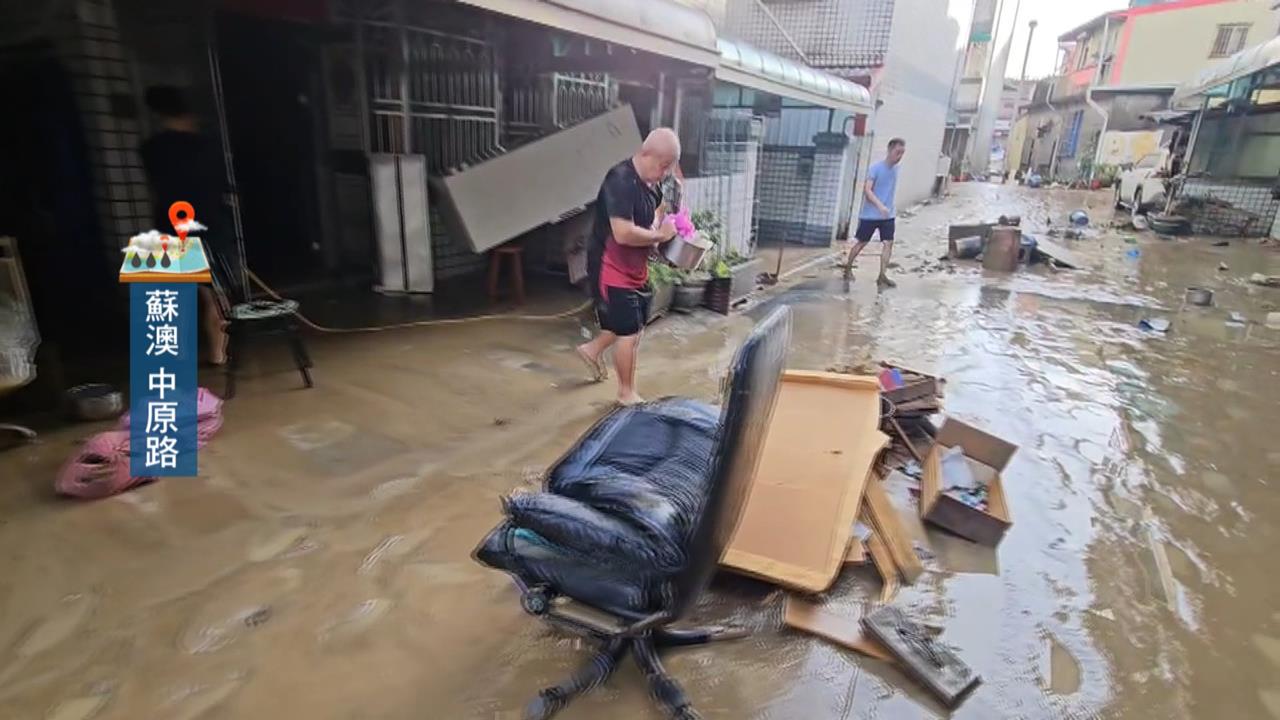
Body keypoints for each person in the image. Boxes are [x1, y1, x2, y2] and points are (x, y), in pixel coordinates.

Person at [575, 129, 681, 406]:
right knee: (629, 333)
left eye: (667, 168)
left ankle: (591, 349)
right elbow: (622, 233)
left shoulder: (652, 186)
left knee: (631, 323)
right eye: (663, 166)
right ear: (647, 155)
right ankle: (626, 393)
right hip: (611, 266)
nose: (664, 174)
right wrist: (659, 236)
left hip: (635, 267)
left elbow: (653, 218)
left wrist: (661, 240)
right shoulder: (620, 180)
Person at [140, 86, 233, 365]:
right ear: (190, 113)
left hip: (168, 223)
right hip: (208, 224)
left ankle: (169, 353)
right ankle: (218, 354)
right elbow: (220, 185)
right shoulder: (208, 146)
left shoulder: (150, 149)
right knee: (215, 295)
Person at [843, 138, 905, 287]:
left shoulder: (896, 170)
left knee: (888, 243)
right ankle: (848, 269)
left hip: (888, 215)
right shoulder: (875, 169)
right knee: (861, 242)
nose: (900, 156)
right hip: (871, 215)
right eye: (898, 152)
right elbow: (867, 190)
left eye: (902, 153)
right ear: (890, 150)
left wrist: (887, 208)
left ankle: (882, 275)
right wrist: (880, 206)